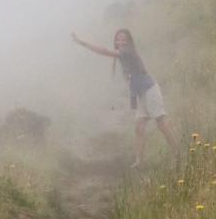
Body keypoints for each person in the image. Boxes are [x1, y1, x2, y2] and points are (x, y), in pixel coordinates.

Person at [72, 29, 176, 167]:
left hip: (150, 91)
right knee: (139, 127)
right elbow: (132, 80)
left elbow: (103, 51)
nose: (120, 41)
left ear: (129, 41)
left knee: (161, 123)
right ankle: (139, 161)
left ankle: (177, 153)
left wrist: (82, 42)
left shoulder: (128, 51)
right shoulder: (123, 56)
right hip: (142, 94)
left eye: (123, 39)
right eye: (118, 39)